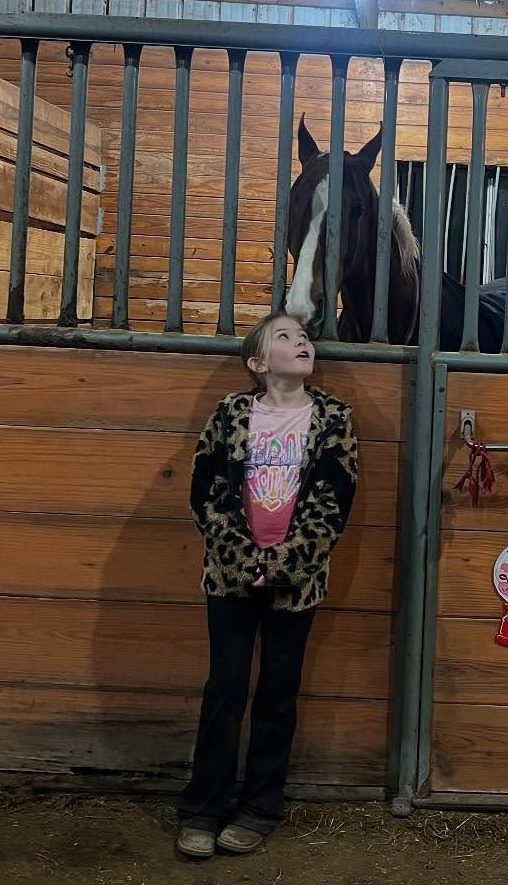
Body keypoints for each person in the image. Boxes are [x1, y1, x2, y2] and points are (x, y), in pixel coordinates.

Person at [176, 313, 359, 859]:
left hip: (295, 583)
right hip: (229, 579)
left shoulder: (333, 419)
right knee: (224, 689)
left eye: (303, 336)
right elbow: (205, 491)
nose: (300, 341)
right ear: (258, 363)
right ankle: (203, 808)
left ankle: (259, 806)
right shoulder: (231, 414)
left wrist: (281, 565)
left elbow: (333, 501)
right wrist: (241, 560)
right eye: (284, 336)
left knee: (277, 694)